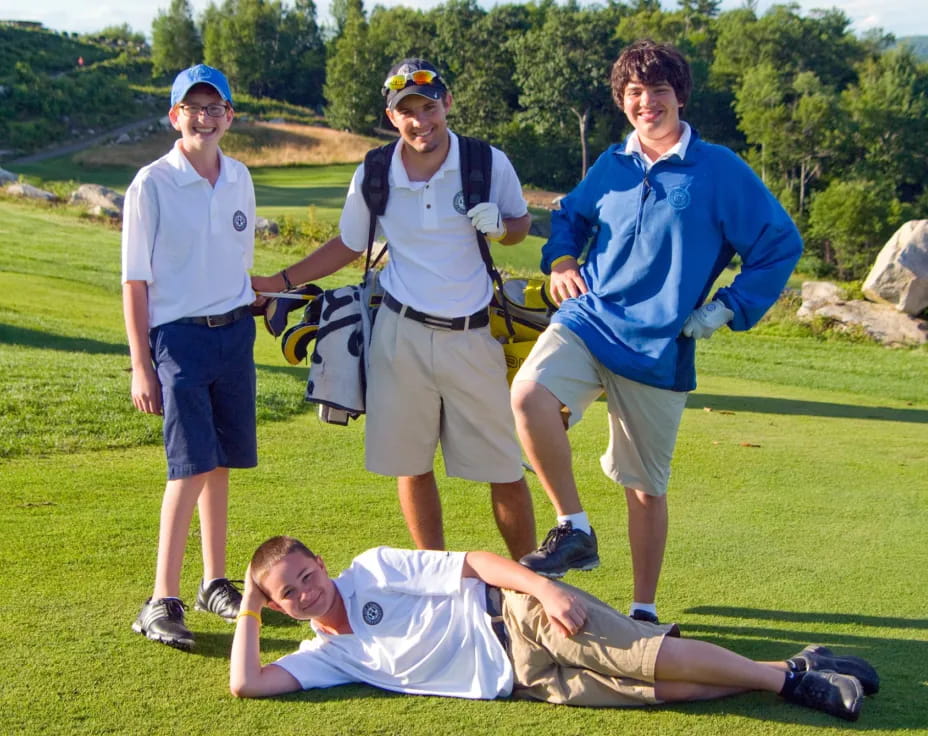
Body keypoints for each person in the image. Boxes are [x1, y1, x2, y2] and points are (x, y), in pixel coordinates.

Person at [510, 40, 804, 624]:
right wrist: (563, 261)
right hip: (589, 319)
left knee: (644, 487)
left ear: (679, 96)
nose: (647, 103)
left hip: (660, 348)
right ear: (623, 100)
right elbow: (570, 215)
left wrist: (728, 307)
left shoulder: (718, 168)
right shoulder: (613, 164)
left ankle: (643, 610)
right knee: (526, 395)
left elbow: (779, 244)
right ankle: (574, 527)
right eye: (635, 93)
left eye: (659, 91)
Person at [251, 59, 535, 560]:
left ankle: (534, 584)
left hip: (472, 335)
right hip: (399, 334)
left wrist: (502, 227)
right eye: (408, 111)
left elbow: (519, 224)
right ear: (391, 116)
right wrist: (281, 281)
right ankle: (436, 579)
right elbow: (348, 243)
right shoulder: (375, 170)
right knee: (412, 464)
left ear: (447, 103)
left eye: (429, 107)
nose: (420, 120)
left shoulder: (487, 162)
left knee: (504, 470)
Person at [228, 535, 877, 723]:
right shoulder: (326, 656)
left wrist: (541, 587)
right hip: (520, 682)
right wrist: (249, 606)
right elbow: (248, 685)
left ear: (320, 562)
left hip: (518, 615)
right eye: (290, 593)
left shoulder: (371, 570)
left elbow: (471, 563)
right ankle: (803, 662)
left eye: (307, 575)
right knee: (664, 689)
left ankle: (792, 681)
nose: (308, 591)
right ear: (281, 607)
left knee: (647, 659)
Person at [122, 64, 258, 650]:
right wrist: (141, 364)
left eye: (215, 107)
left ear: (229, 115)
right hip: (178, 339)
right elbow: (135, 282)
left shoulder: (241, 178)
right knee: (189, 466)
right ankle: (161, 599)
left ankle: (213, 582)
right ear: (175, 116)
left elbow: (235, 262)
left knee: (221, 460)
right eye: (192, 108)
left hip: (234, 336)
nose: (204, 117)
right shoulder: (150, 184)